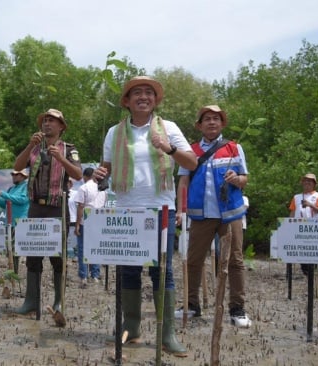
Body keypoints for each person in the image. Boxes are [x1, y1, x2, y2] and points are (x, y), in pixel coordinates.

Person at [93, 76, 196, 356]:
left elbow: (192, 162)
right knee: (129, 271)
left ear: (155, 100)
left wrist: (168, 147)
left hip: (161, 208)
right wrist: (100, 174)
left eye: (148, 93)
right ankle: (133, 329)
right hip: (127, 209)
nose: (143, 97)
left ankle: (167, 335)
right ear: (126, 101)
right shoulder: (114, 133)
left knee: (162, 271)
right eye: (136, 93)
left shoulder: (169, 128)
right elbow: (106, 170)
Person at [176, 105, 251, 328]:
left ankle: (237, 309)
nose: (211, 122)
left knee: (235, 261)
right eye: (206, 119)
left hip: (230, 214)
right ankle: (191, 305)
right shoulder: (190, 151)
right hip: (200, 215)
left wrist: (237, 179)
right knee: (193, 260)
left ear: (222, 124)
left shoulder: (234, 148)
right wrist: (180, 209)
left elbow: (245, 177)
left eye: (216, 119)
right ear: (199, 125)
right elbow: (183, 181)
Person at [13, 108, 82, 315]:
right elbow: (17, 166)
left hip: (57, 208)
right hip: (35, 208)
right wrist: (30, 145)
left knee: (57, 256)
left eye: (52, 121)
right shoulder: (34, 148)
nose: (47, 124)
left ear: (61, 127)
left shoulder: (69, 149)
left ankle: (59, 302)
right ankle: (31, 301)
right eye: (45, 120)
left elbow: (78, 174)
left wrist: (60, 158)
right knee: (33, 255)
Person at [0, 170, 30, 273]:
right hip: (9, 223)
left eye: (16, 174)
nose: (13, 176)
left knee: (15, 250)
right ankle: (12, 272)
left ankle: (14, 273)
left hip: (20, 222)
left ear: (23, 176)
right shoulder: (11, 189)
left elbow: (22, 200)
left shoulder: (26, 187)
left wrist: (3, 194)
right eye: (12, 174)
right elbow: (4, 204)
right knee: (10, 250)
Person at [288, 173, 318, 276]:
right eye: (305, 181)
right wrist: (289, 225)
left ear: (314, 184)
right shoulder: (296, 197)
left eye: (310, 181)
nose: (307, 183)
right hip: (298, 227)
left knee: (316, 249)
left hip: (314, 227)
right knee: (301, 248)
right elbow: (292, 211)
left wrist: (309, 204)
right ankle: (306, 270)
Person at [74, 167, 106, 287]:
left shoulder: (83, 188)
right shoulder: (103, 189)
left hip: (85, 221)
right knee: (95, 249)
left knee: (83, 249)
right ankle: (95, 275)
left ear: (84, 177)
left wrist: (77, 224)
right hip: (98, 220)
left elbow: (81, 207)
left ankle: (84, 276)